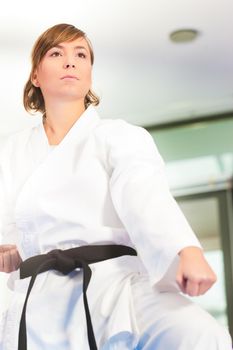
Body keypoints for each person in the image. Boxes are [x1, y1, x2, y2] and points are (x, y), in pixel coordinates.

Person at [0, 23, 231, 350]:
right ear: (36, 75)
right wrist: (7, 243)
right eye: (57, 53)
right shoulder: (10, 151)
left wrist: (185, 249)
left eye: (81, 54)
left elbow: (144, 194)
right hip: (40, 299)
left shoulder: (120, 136)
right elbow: (7, 218)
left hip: (117, 283)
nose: (71, 62)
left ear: (90, 72)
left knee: (200, 335)